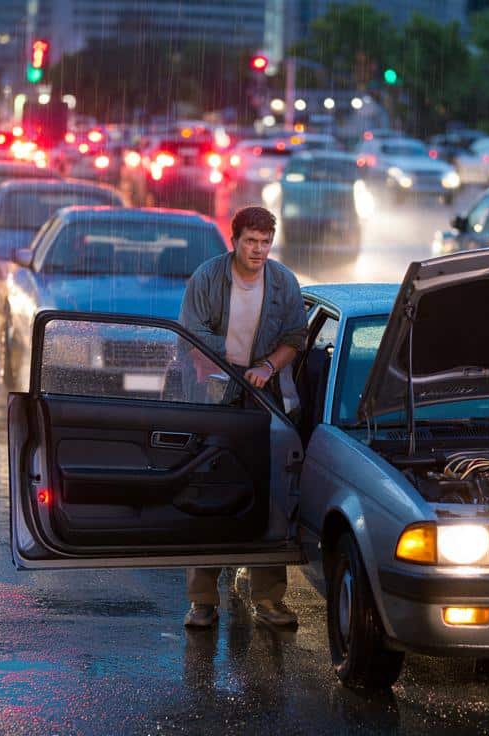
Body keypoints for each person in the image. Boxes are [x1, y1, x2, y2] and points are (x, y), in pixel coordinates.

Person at [178, 205, 307, 630]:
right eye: (250, 241)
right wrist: (228, 364)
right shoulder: (208, 277)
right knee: (208, 492)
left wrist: (267, 367)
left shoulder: (283, 282)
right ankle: (202, 601)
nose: (258, 250)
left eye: (265, 242)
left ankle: (268, 599)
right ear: (234, 241)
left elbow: (294, 338)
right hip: (212, 395)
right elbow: (191, 334)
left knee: (270, 494)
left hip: (264, 398)